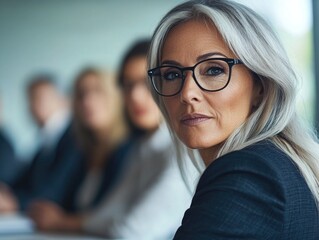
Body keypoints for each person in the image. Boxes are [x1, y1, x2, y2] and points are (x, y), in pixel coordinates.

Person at [147, 0, 319, 239]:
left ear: (260, 85)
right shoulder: (275, 164)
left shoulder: (251, 174)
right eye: (172, 74)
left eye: (214, 70)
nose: (187, 94)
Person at [30, 40, 192, 239]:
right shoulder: (143, 147)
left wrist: (64, 222)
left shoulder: (184, 149)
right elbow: (110, 211)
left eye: (148, 82)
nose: (135, 96)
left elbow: (133, 230)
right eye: (128, 85)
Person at [28, 67, 130, 230]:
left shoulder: (129, 150)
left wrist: (62, 221)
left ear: (115, 96)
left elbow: (117, 214)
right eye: (81, 94)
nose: (87, 101)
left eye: (98, 92)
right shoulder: (80, 151)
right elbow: (54, 194)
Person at [0, 74, 81, 212]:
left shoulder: (75, 137)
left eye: (40, 98)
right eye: (30, 99)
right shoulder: (44, 142)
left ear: (62, 100)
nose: (33, 105)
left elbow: (56, 189)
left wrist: (16, 202)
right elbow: (26, 182)